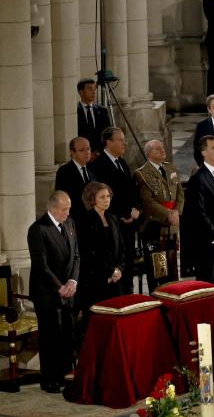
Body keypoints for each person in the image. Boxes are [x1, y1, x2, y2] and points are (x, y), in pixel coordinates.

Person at [27, 190, 80, 393]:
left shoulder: (70, 222)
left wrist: (73, 281)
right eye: (64, 209)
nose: (68, 213)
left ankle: (65, 374)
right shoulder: (38, 229)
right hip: (47, 292)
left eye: (69, 209)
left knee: (67, 334)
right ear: (52, 208)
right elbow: (42, 265)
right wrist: (60, 286)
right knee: (50, 338)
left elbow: (76, 255)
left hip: (68, 289)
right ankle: (49, 379)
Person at [181, 136, 214, 290]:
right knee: (207, 288)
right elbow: (199, 213)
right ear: (204, 152)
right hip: (207, 244)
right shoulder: (198, 178)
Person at [90, 126, 140, 292]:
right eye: (119, 140)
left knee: (128, 259)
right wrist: (126, 212)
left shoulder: (122, 162)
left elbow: (131, 189)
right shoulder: (99, 165)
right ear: (108, 142)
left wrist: (135, 209)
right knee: (116, 260)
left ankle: (129, 292)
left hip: (129, 222)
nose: (123, 143)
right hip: (113, 221)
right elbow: (106, 195)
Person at [134, 139, 183, 289]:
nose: (163, 150)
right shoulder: (142, 174)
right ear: (149, 154)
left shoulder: (170, 168)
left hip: (172, 225)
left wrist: (177, 211)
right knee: (159, 269)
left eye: (162, 147)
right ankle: (160, 297)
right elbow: (147, 201)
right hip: (155, 227)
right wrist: (168, 213)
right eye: (157, 149)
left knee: (173, 267)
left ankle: (173, 297)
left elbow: (180, 193)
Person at [76, 182, 126, 319]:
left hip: (116, 278)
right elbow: (90, 253)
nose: (106, 200)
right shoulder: (85, 221)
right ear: (92, 199)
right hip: (96, 280)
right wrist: (109, 272)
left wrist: (119, 269)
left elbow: (121, 247)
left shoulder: (112, 218)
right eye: (102, 197)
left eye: (108, 196)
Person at [55, 137, 98, 221]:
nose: (87, 153)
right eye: (82, 150)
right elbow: (62, 199)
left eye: (88, 149)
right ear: (72, 153)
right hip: (75, 220)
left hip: (94, 219)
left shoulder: (92, 168)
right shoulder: (64, 171)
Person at [76, 79, 112, 155]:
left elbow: (107, 135)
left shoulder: (103, 111)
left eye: (94, 89)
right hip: (82, 156)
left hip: (100, 155)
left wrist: (98, 153)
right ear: (81, 92)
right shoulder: (74, 113)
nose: (94, 92)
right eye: (89, 89)